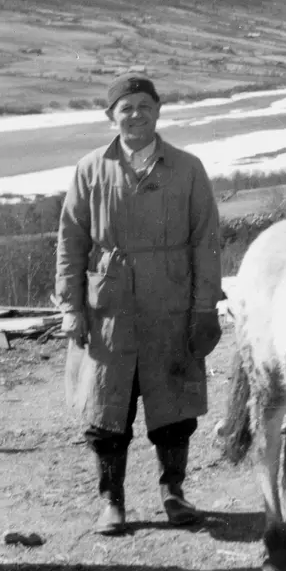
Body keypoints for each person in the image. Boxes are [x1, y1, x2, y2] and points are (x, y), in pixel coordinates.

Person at [56, 72, 224, 536]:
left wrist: (205, 306)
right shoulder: (90, 168)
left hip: (170, 304)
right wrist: (70, 306)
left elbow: (207, 242)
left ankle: (174, 492)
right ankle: (112, 500)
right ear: (112, 116)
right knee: (108, 407)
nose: (135, 115)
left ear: (157, 112)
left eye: (143, 106)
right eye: (125, 108)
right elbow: (70, 242)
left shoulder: (188, 169)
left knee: (174, 406)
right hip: (108, 310)